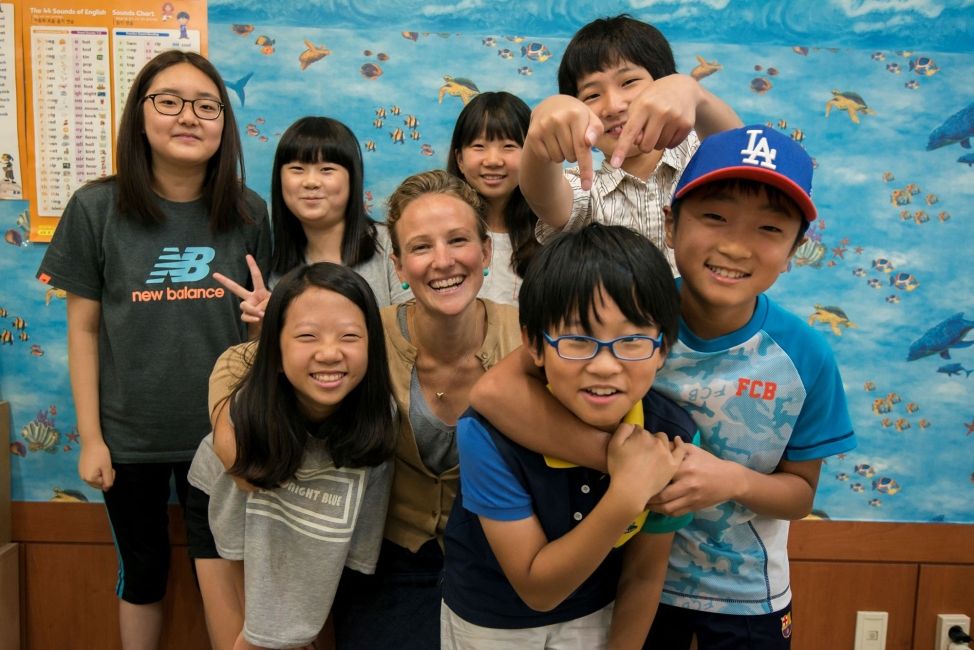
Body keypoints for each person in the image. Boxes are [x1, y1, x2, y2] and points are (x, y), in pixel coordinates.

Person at [471, 125, 857, 649]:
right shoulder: (626, 309)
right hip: (616, 581)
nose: (735, 245)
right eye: (715, 217)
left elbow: (800, 493)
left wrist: (730, 481)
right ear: (671, 225)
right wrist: (630, 467)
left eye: (769, 229)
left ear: (794, 249)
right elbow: (493, 393)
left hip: (745, 594)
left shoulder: (807, 356)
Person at [35, 50, 271, 650]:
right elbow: (83, 331)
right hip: (128, 439)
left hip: (221, 436)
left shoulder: (249, 213)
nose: (188, 116)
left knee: (224, 574)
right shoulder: (96, 209)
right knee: (142, 575)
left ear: (224, 123)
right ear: (140, 116)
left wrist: (260, 327)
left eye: (206, 105)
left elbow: (258, 340)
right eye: (169, 101)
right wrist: (91, 437)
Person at [441, 224, 693, 649]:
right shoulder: (486, 435)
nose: (605, 366)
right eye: (577, 339)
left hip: (597, 608)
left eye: (632, 340)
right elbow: (537, 589)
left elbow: (644, 574)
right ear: (534, 346)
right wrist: (627, 494)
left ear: (664, 347)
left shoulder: (672, 437)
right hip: (491, 619)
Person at [331, 170, 522, 649]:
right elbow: (244, 370)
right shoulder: (365, 336)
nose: (443, 262)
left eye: (458, 240)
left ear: (487, 251)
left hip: (500, 561)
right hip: (387, 563)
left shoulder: (527, 336)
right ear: (397, 265)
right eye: (420, 247)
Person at [186, 263, 397, 649]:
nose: (330, 353)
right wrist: (254, 634)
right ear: (276, 350)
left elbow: (354, 538)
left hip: (318, 522)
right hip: (228, 510)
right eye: (306, 336)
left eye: (350, 336)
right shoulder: (249, 416)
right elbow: (236, 538)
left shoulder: (379, 415)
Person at [520, 14, 741, 271]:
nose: (613, 106)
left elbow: (737, 150)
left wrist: (694, 93)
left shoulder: (699, 156)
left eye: (629, 82)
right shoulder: (587, 189)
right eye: (592, 95)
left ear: (664, 83)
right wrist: (541, 132)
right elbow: (540, 195)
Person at [215, 115, 409, 328]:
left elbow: (413, 333)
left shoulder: (391, 244)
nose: (311, 182)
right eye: (297, 169)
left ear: (353, 178)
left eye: (327, 169)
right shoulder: (275, 270)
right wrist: (260, 327)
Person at [447, 91, 539, 305]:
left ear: (531, 154)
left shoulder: (550, 234)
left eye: (508, 146)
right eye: (479, 146)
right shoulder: (440, 232)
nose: (493, 160)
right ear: (460, 159)